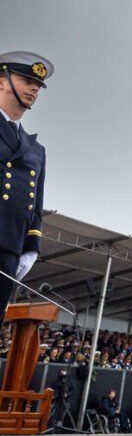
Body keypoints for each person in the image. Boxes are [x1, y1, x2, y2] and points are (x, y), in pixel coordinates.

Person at [0, 52, 50, 320]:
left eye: (38, 85)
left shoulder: (36, 150)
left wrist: (31, 247)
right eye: (27, 80)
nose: (34, 88)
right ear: (2, 82)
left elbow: (36, 207)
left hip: (9, 247)